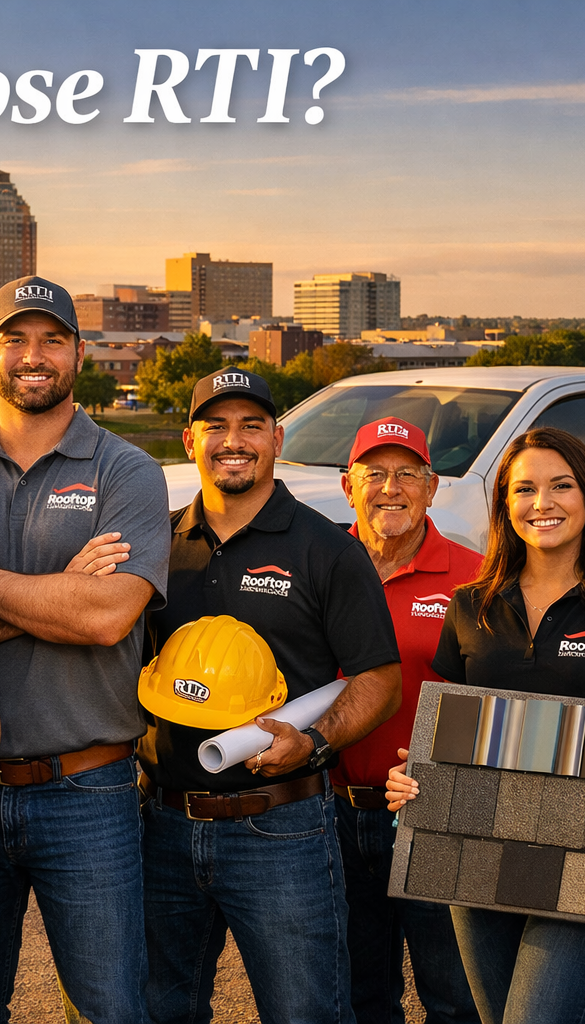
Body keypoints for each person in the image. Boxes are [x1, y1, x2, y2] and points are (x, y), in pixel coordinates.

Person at [0, 276, 170, 1023]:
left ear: (79, 353)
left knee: (110, 1009)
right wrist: (60, 590)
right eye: (16, 339)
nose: (34, 355)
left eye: (52, 339)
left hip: (89, 790)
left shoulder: (125, 470)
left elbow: (107, 620)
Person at [386, 427, 585, 1024]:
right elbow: (452, 730)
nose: (543, 503)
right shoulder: (471, 605)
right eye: (524, 489)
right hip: (477, 851)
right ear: (505, 504)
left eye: (562, 486)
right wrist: (413, 777)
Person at [139, 369, 403, 1024]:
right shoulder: (156, 545)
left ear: (277, 439)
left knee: (304, 1012)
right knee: (159, 1010)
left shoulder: (326, 549)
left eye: (252, 425)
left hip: (281, 828)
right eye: (217, 426)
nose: (235, 441)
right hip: (164, 825)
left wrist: (313, 740)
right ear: (190, 440)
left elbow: (380, 678)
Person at [331, 418, 481, 1024]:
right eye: (374, 475)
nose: (389, 489)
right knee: (360, 997)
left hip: (436, 816)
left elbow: (501, 699)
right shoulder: (321, 566)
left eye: (406, 475)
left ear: (432, 486)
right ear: (348, 487)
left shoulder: (476, 576)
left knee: (454, 999)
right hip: (333, 815)